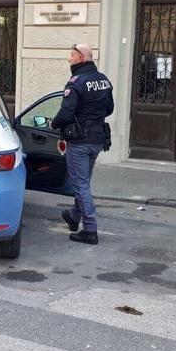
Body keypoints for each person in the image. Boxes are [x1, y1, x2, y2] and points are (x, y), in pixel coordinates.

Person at [51, 43, 114, 245]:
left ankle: (90, 229)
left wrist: (53, 123)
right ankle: (74, 216)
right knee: (83, 181)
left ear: (81, 57)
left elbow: (66, 113)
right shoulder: (103, 80)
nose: (69, 59)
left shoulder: (76, 82)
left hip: (79, 141)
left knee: (80, 185)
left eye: (71, 55)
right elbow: (109, 108)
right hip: (97, 139)